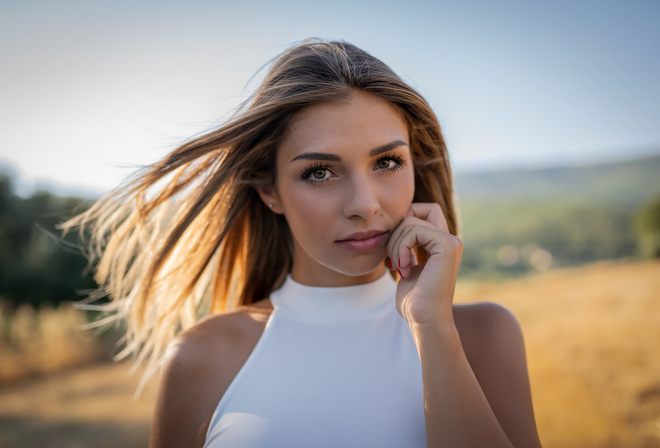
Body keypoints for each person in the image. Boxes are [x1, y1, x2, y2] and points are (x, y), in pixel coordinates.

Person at [63, 39, 541, 447]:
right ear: (270, 190)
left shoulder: (483, 335)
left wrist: (432, 328)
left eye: (387, 162)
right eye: (319, 172)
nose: (365, 204)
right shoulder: (203, 356)